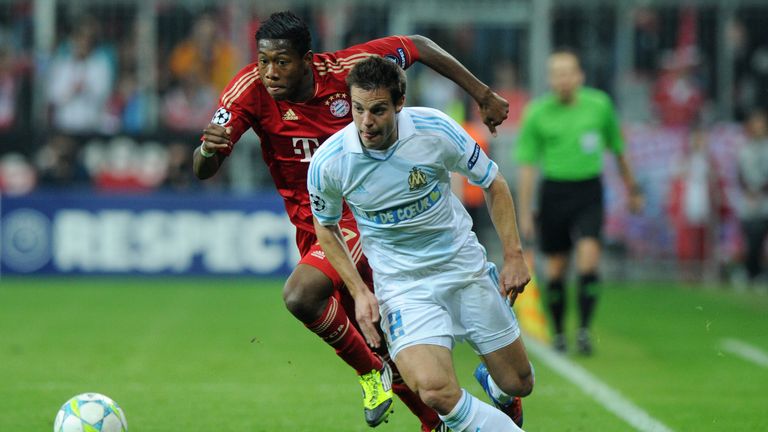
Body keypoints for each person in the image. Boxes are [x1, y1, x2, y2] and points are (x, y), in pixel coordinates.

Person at [192, 11, 509, 432]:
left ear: (307, 59)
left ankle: (371, 374)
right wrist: (209, 152)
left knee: (301, 295)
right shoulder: (248, 90)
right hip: (313, 226)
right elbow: (202, 168)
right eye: (264, 61)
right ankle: (438, 418)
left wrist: (482, 94)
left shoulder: (347, 71)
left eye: (282, 61)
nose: (270, 72)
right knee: (382, 339)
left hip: (362, 216)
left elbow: (419, 44)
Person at [309, 55, 533, 432]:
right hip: (404, 287)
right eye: (358, 109)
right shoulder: (331, 161)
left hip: (463, 269)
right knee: (434, 391)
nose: (366, 122)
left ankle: (495, 384)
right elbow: (326, 226)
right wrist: (360, 292)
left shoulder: (435, 130)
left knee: (519, 383)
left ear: (400, 104)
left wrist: (513, 255)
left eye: (378, 110)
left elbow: (493, 183)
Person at [515, 49, 644, 355]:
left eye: (567, 72)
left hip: (589, 191)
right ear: (550, 79)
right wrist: (524, 212)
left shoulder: (599, 106)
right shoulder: (538, 112)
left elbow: (618, 149)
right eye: (556, 73)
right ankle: (559, 332)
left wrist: (632, 189)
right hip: (555, 193)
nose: (562, 79)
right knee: (557, 269)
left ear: (579, 76)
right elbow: (528, 167)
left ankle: (584, 330)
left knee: (588, 258)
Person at [737, 109, 768, 285]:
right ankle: (752, 272)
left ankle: (759, 272)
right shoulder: (744, 150)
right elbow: (739, 175)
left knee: (761, 237)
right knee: (752, 239)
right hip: (750, 201)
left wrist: (761, 189)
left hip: (765, 200)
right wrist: (749, 190)